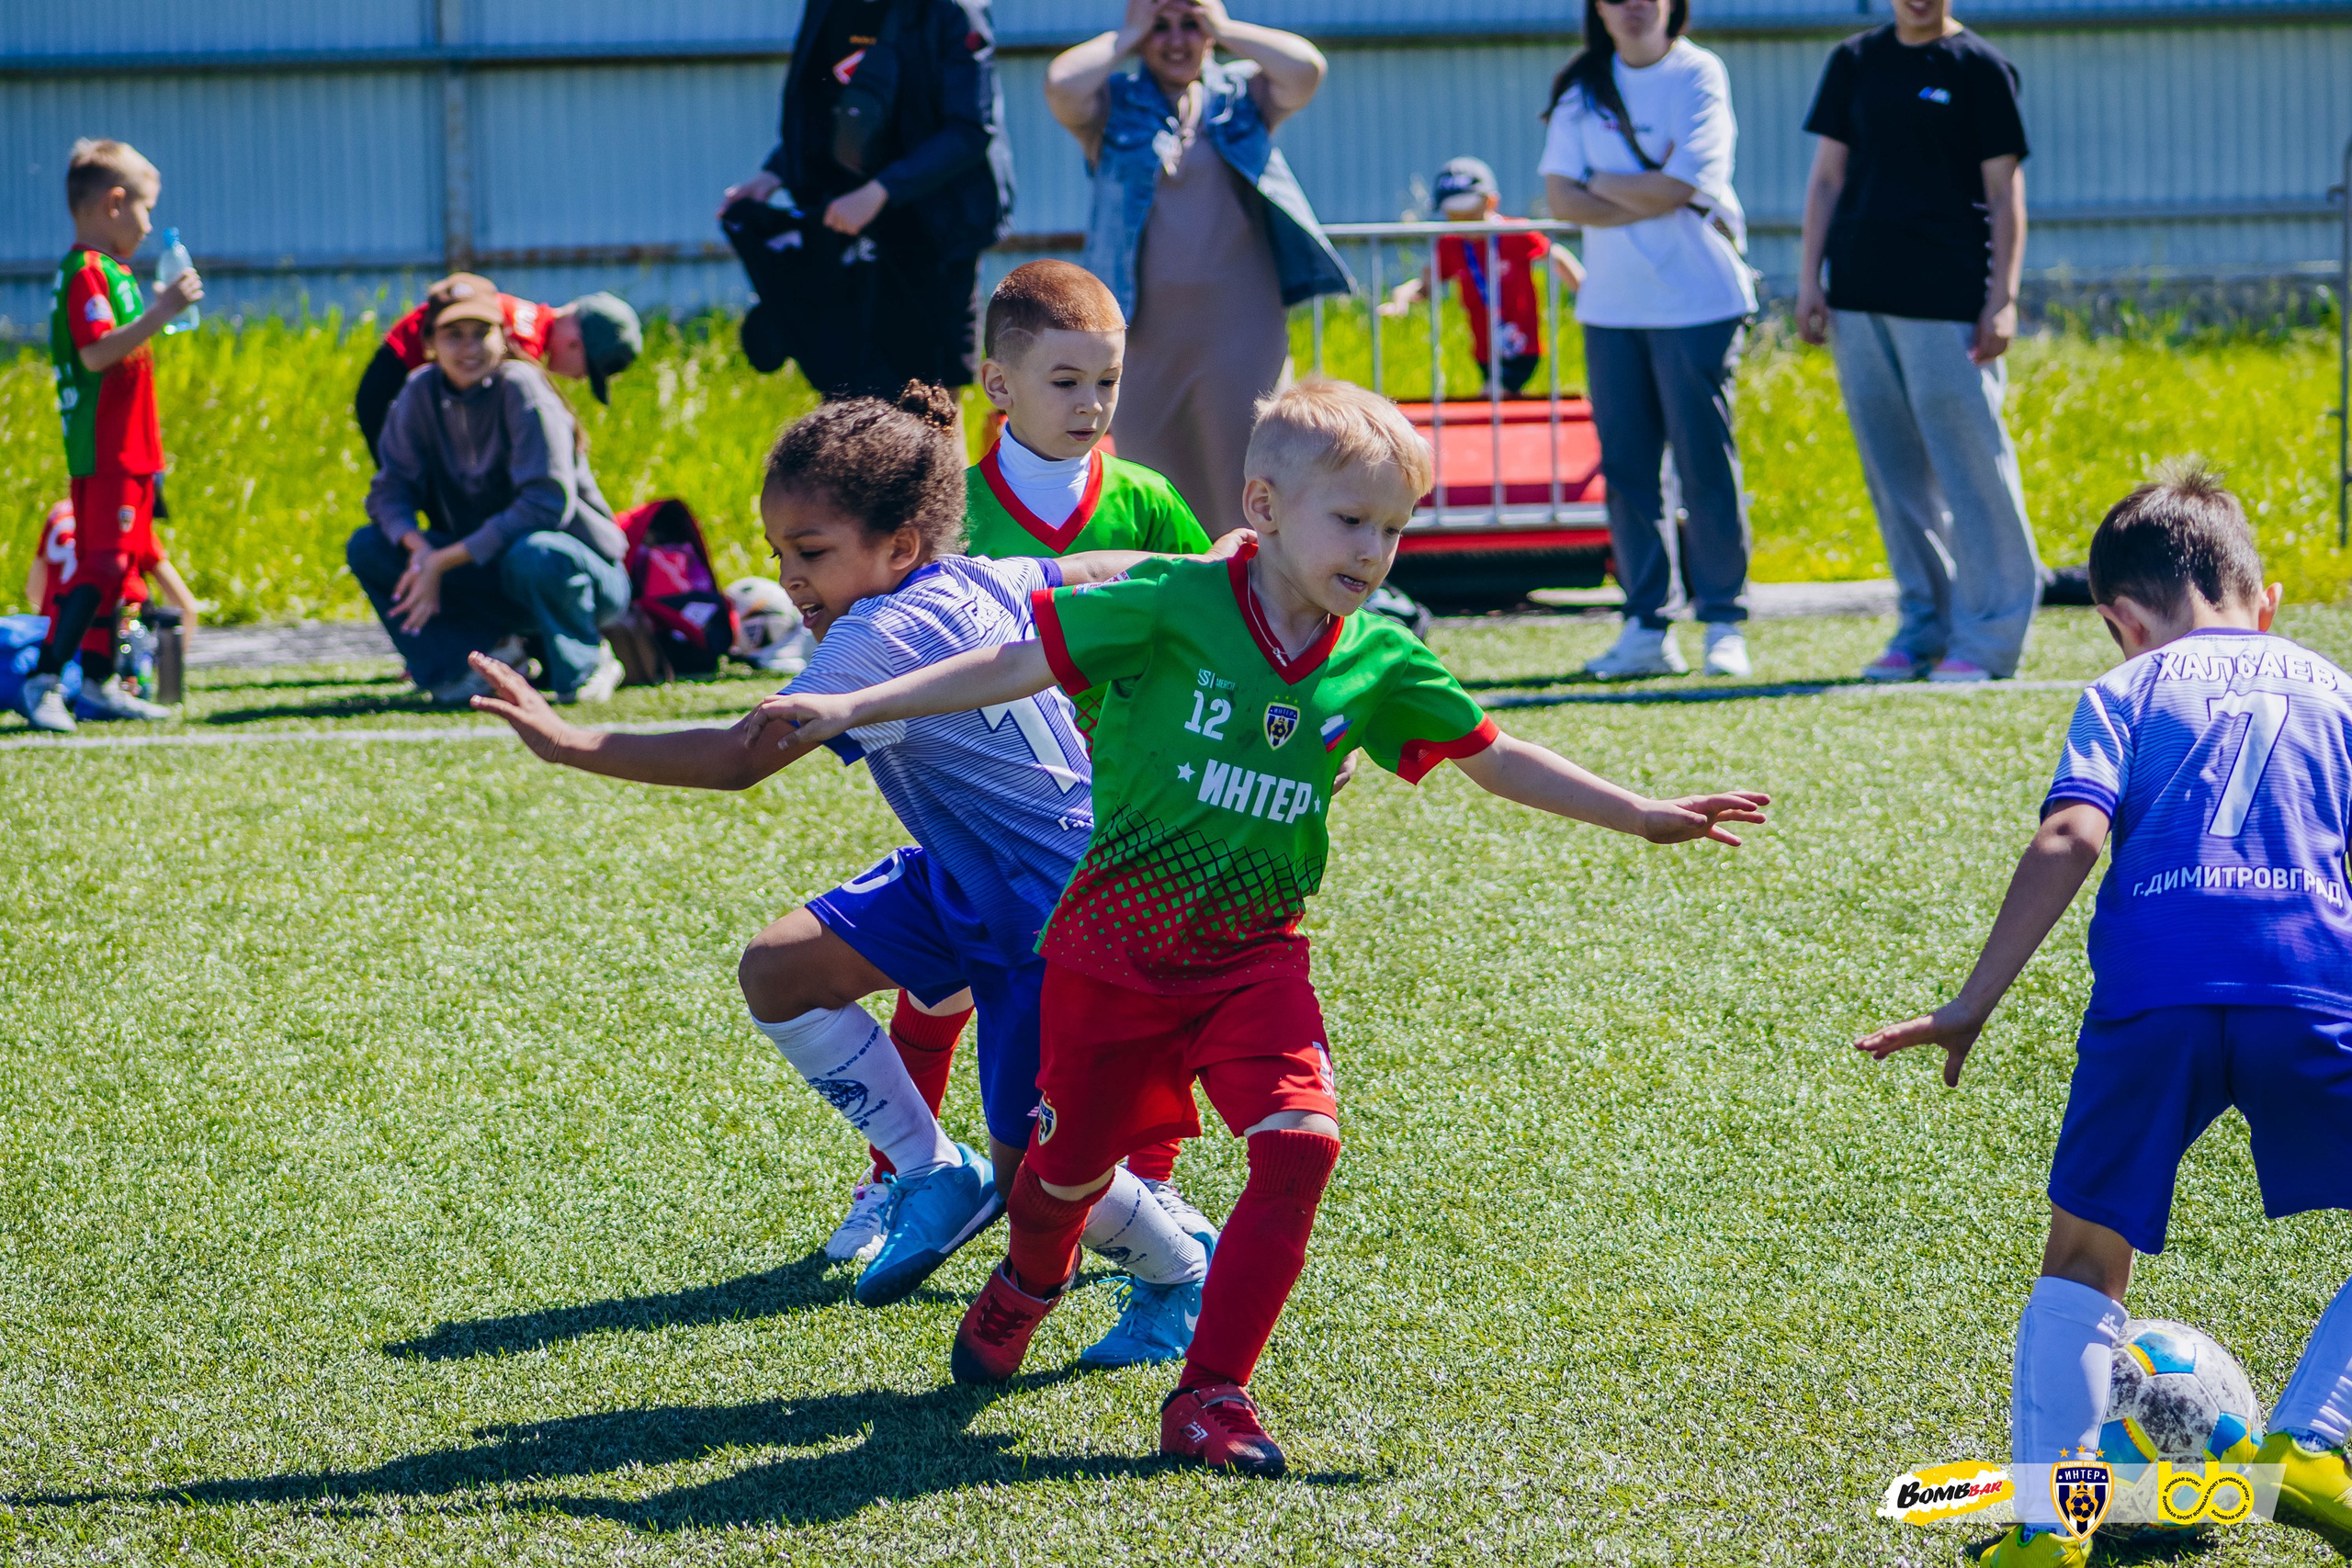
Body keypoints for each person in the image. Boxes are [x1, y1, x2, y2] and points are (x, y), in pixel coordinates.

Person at [752, 379, 1770, 1474]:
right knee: (1054, 1182)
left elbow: (1495, 756)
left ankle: (1209, 1397)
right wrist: (855, 706)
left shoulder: (1380, 660)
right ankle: (1031, 1277)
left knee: (1301, 1147)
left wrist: (1639, 812)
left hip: (1252, 961)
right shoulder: (1174, 600)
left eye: (1392, 528)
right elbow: (1013, 663)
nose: (1373, 550)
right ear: (1265, 505)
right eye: (1351, 520)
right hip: (1107, 956)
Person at [469, 385, 1223, 1366]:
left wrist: (572, 744)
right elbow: (1094, 565)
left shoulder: (881, 632)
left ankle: (1181, 1273)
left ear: (901, 547)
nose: (787, 578)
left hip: (1051, 920)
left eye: (811, 552)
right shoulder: (982, 576)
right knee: (782, 971)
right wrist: (1214, 568)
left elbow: (742, 756)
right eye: (780, 551)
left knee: (1043, 1175)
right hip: (966, 878)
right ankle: (932, 1172)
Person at [1857, 465, 2352, 1565]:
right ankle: (2315, 1444)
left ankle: (2048, 1536)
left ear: (2120, 622)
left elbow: (2070, 838)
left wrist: (1969, 1004)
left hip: (2154, 997)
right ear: (2261, 600)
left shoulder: (2125, 693)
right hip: (2310, 986)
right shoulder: (2333, 684)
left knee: (2083, 1261)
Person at [1796, 0, 2039, 684]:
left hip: (1949, 300)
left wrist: (2005, 298)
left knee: (1974, 471)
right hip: (1858, 295)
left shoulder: (1982, 69)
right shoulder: (1854, 60)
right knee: (1895, 475)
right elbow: (1826, 180)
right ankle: (1924, 627)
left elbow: (2005, 194)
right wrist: (1810, 279)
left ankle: (1988, 639)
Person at [1045, 0, 1351, 539]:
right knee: (1158, 480)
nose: (1177, 40)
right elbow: (1062, 83)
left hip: (1243, 328)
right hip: (1140, 334)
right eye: (1161, 27)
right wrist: (1131, 32)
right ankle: (1181, 605)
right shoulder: (1112, 105)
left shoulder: (1241, 98)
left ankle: (1259, 604)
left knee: (1255, 472)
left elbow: (1306, 69)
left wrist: (1226, 26)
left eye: (1192, 23)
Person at [1542, 0, 1759, 681]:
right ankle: (1645, 624)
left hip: (1699, 301)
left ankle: (1724, 619)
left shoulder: (1700, 74)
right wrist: (1643, 188)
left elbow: (1683, 185)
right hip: (1610, 307)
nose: (1632, 6)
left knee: (1704, 462)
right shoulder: (1582, 85)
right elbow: (1561, 198)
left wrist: (1603, 183)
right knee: (1629, 470)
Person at [346, 285, 629, 707]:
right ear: (429, 345)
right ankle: (475, 661)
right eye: (452, 334)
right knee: (369, 546)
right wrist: (419, 546)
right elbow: (390, 489)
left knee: (534, 552)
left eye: (481, 332)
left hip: (579, 570)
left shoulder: (524, 385)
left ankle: (587, 661)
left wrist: (442, 561)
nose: (468, 348)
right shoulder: (419, 391)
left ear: (503, 337)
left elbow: (545, 503)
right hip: (490, 571)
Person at [717, 0, 1014, 398]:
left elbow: (971, 128)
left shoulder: (954, 10)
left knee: (930, 403)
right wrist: (774, 173)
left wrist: (880, 192)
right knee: (847, 391)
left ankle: (936, 463)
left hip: (935, 234)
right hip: (844, 226)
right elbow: (818, 108)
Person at [19, 139, 204, 736]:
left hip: (133, 452)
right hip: (104, 452)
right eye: (147, 209)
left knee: (125, 571)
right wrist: (163, 310)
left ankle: (99, 684)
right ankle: (45, 679)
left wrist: (154, 307)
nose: (151, 225)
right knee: (99, 567)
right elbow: (97, 353)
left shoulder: (119, 273)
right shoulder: (86, 273)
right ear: (115, 204)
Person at [354, 276, 642, 463]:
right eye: (585, 372)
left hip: (395, 379)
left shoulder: (526, 317)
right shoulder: (523, 342)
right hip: (392, 385)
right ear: (575, 344)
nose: (578, 378)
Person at [1378, 157, 1584, 400]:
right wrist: (1400, 298)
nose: (1462, 223)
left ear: (1491, 202)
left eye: (1469, 214)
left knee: (1493, 395)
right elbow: (1426, 284)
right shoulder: (1450, 244)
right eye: (1454, 215)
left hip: (1521, 345)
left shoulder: (1515, 232)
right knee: (1501, 401)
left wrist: (1585, 291)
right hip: (1483, 350)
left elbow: (1556, 255)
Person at [27, 495, 199, 674]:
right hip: (110, 650)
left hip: (55, 647)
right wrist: (171, 668)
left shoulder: (57, 514)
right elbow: (187, 606)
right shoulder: (128, 518)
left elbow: (34, 591)